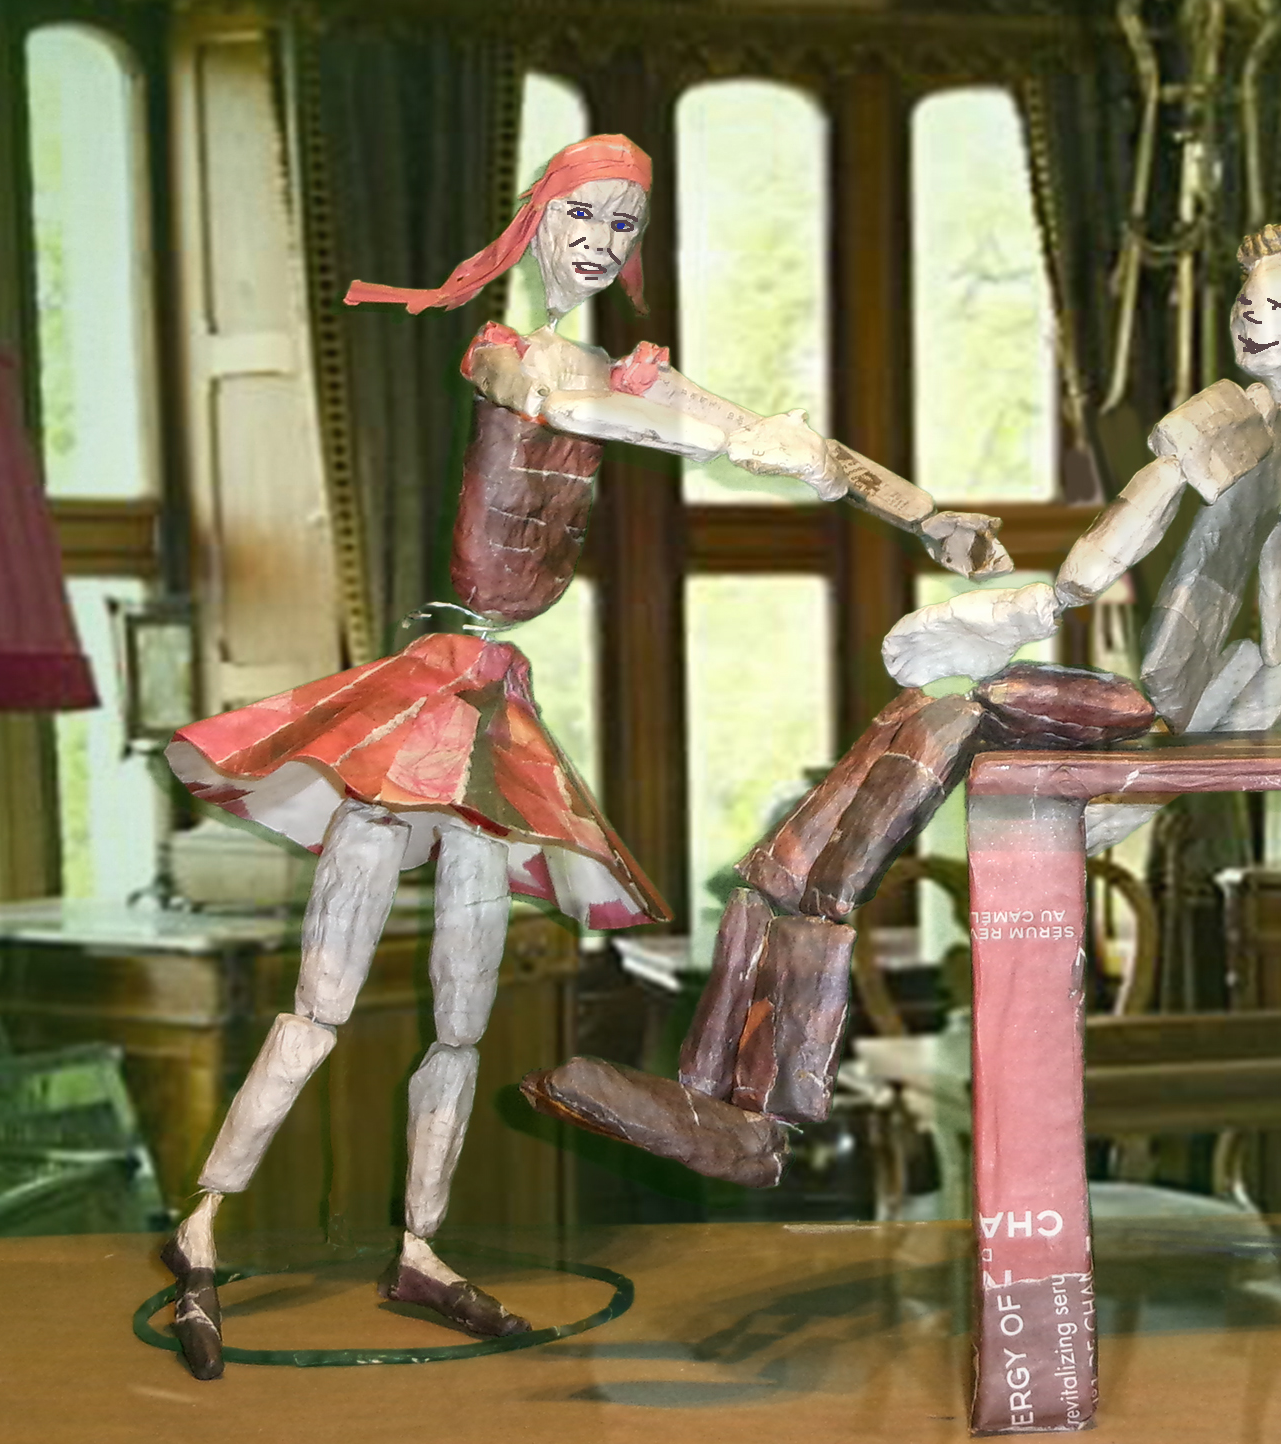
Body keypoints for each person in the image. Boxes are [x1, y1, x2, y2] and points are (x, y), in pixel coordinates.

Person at [156, 133, 1004, 1378]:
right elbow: (573, 408)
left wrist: (923, 511)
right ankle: (202, 1229)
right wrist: (712, 437)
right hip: (426, 697)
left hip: (494, 708)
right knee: (322, 1002)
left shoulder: (629, 374)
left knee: (461, 1015)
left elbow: (775, 436)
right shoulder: (505, 351)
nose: (602, 242)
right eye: (585, 216)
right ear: (539, 218)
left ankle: (420, 1246)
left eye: (624, 224)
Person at [523, 224, 1281, 1168]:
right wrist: (1197, 750)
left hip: (1144, 709)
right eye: (1247, 300)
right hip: (1156, 715)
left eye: (1276, 306)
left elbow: (1143, 521)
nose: (1251, 317)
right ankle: (717, 1091)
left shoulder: (1234, 420)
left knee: (944, 718)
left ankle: (759, 1112)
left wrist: (1046, 607)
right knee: (879, 764)